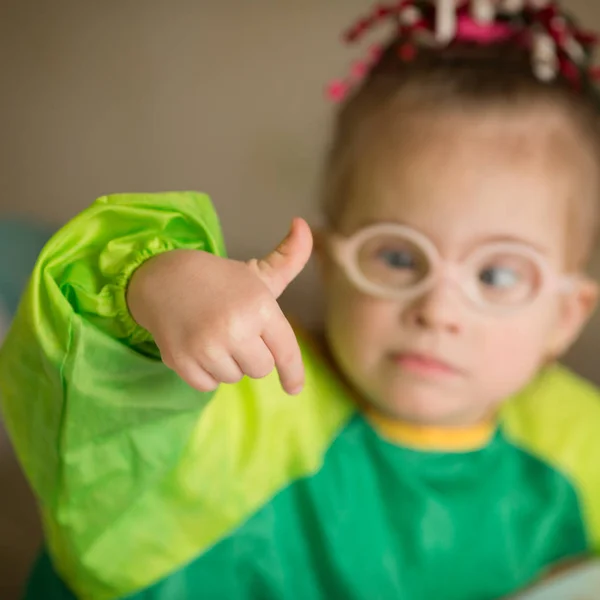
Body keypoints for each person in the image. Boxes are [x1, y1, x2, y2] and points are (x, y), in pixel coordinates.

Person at [2, 1, 600, 599]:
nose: (438, 312)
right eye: (397, 257)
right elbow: (92, 421)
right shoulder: (244, 405)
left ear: (566, 315)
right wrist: (153, 285)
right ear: (331, 265)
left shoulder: (577, 448)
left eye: (497, 276)